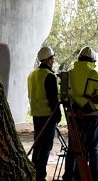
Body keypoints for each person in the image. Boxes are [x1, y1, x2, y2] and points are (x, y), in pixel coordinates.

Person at [63, 46, 98, 181]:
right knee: (92, 148)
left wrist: (76, 109)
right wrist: (87, 108)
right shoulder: (96, 75)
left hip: (73, 116)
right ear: (92, 60)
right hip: (91, 116)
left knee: (72, 148)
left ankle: (70, 176)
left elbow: (63, 98)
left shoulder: (68, 75)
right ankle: (93, 176)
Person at [27, 45, 63, 181]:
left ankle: (34, 173)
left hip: (36, 116)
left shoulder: (32, 74)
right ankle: (40, 175)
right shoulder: (49, 76)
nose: (53, 61)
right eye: (52, 59)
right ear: (48, 60)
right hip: (48, 116)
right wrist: (58, 116)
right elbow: (53, 99)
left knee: (38, 145)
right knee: (46, 147)